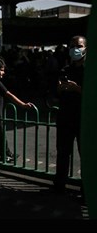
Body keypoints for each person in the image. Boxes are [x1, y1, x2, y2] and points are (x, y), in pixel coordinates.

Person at [0, 57, 33, 162]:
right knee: (0, 135)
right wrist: (23, 105)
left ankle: (6, 154)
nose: (3, 72)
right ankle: (6, 155)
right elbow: (9, 94)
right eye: (1, 70)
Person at [54, 35, 86, 193]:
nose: (75, 49)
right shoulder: (65, 70)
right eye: (72, 46)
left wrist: (77, 89)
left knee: (85, 154)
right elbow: (56, 93)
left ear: (85, 48)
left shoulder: (90, 71)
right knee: (63, 152)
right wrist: (59, 89)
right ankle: (59, 185)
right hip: (65, 117)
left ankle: (86, 189)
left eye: (79, 46)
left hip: (83, 118)